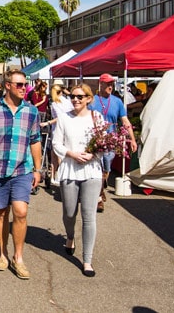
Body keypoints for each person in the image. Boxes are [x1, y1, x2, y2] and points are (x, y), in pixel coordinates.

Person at [0, 69, 42, 280]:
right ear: (7, 86)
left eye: (25, 84)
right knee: (1, 212)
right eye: (19, 84)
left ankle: (18, 257)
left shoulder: (31, 112)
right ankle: (2, 254)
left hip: (22, 169)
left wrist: (38, 169)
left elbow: (35, 140)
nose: (24, 88)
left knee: (20, 211)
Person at [52, 83, 104, 277]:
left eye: (80, 97)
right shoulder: (64, 118)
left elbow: (104, 142)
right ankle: (70, 236)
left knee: (89, 216)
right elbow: (57, 143)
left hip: (91, 171)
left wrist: (94, 154)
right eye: (73, 96)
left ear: (88, 99)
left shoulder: (97, 117)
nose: (75, 100)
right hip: (70, 169)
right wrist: (71, 154)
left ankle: (87, 260)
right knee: (69, 213)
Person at [88, 73, 137, 212]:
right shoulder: (92, 101)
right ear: (100, 84)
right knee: (97, 169)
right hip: (95, 141)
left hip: (111, 142)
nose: (110, 86)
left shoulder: (117, 102)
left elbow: (125, 121)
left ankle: (101, 188)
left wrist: (132, 139)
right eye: (108, 83)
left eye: (112, 84)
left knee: (106, 170)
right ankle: (98, 199)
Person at [41, 83, 73, 180]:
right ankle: (55, 177)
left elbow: (60, 117)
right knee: (56, 154)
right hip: (67, 129)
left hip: (58, 129)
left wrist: (48, 122)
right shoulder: (67, 101)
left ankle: (58, 177)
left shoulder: (55, 104)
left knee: (57, 154)